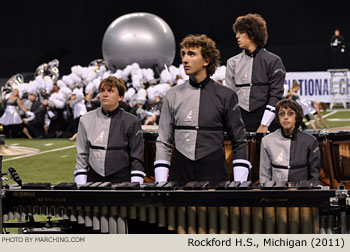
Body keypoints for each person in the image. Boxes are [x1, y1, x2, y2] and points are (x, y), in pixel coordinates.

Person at [154, 34, 251, 186]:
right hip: (180, 173)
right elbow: (163, 141)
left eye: (191, 54)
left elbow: (239, 141)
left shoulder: (226, 96)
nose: (185, 59)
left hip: (215, 173)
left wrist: (239, 183)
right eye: (184, 54)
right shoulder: (171, 94)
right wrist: (160, 181)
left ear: (206, 60)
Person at [74, 76, 145, 185]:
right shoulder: (85, 119)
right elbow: (82, 154)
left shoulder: (132, 121)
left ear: (120, 96)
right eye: (102, 90)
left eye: (110, 91)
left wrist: (135, 184)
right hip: (94, 177)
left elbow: (136, 157)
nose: (105, 94)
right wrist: (80, 183)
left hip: (122, 178)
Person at [225, 13, 285, 133]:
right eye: (237, 32)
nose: (237, 36)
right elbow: (229, 97)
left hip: (268, 124)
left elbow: (276, 95)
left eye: (241, 32)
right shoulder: (232, 62)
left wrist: (264, 124)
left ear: (253, 34)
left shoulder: (273, 61)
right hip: (240, 123)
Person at [259, 99, 320, 183]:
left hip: (302, 193)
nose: (286, 117)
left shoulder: (310, 141)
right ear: (278, 117)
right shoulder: (266, 141)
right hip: (277, 193)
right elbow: (264, 176)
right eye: (281, 114)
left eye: (290, 113)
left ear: (297, 116)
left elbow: (314, 176)